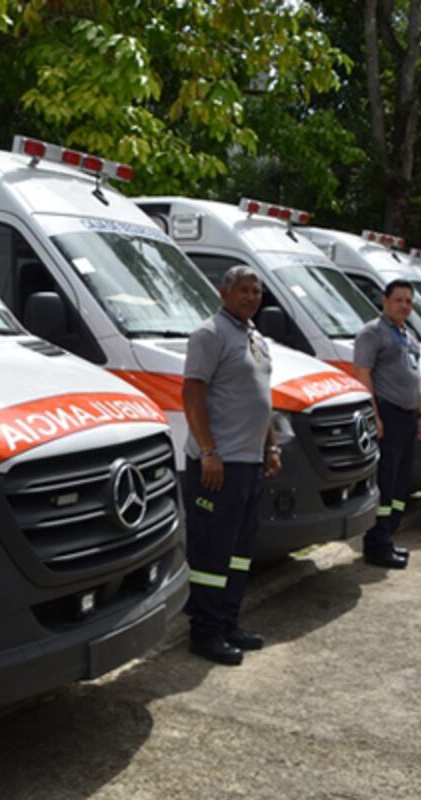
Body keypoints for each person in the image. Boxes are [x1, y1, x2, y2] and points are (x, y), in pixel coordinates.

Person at [182, 265, 282, 666]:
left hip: (250, 463)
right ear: (224, 293)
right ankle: (204, 632)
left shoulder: (256, 336)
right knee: (212, 553)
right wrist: (208, 450)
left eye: (256, 291)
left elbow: (263, 398)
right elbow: (192, 394)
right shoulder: (209, 334)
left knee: (239, 552)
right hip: (218, 466)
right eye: (243, 290)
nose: (251, 297)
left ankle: (228, 622)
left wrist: (271, 446)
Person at [353, 279, 421, 570]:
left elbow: (415, 376)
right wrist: (374, 416)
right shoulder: (373, 333)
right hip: (388, 414)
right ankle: (376, 545)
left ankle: (389, 537)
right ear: (384, 300)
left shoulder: (408, 334)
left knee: (400, 482)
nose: (404, 306)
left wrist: (420, 414)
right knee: (385, 481)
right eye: (399, 300)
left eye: (409, 301)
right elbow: (363, 374)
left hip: (408, 417)